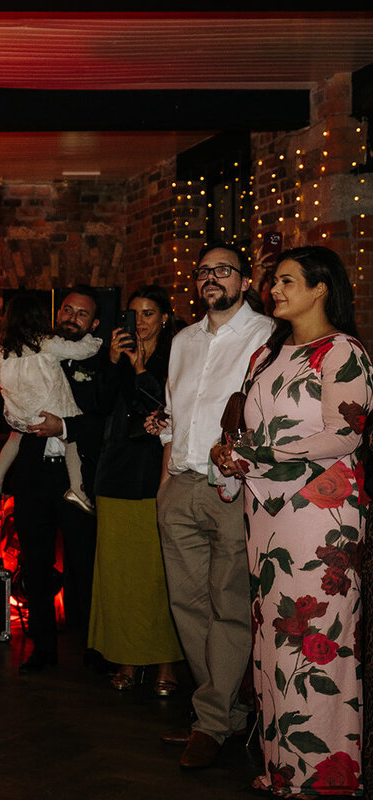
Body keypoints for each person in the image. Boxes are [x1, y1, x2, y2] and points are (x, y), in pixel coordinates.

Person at [211, 246, 372, 796]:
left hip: (321, 517)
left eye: (285, 280)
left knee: (318, 636)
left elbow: (345, 432)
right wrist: (231, 453)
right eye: (274, 281)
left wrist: (260, 455)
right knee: (276, 638)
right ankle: (285, 767)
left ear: (321, 287)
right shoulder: (266, 355)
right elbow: (253, 431)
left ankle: (326, 777)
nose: (273, 289)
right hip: (268, 513)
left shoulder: (343, 351)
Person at [155, 241, 274, 769]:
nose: (211, 279)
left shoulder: (267, 336)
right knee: (187, 605)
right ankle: (223, 712)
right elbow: (173, 417)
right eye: (204, 272)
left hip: (232, 489)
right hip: (180, 485)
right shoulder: (181, 341)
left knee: (228, 605)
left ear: (245, 281)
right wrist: (164, 485)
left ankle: (210, 722)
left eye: (224, 270)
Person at [87, 285, 183, 694]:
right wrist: (112, 362)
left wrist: (142, 367)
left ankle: (166, 663)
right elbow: (96, 405)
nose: (140, 321)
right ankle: (125, 657)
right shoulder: (114, 354)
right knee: (119, 573)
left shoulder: (178, 355)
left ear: (164, 318)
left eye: (148, 313)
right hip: (115, 474)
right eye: (134, 314)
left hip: (155, 474)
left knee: (158, 573)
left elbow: (164, 408)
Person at [6, 285, 106, 674]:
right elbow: (8, 410)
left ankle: (92, 648)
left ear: (94, 323)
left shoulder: (95, 363)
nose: (71, 317)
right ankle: (42, 648)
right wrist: (19, 418)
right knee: (36, 562)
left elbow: (103, 419)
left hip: (76, 472)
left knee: (84, 563)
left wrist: (63, 424)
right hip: (32, 470)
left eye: (81, 314)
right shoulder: (27, 349)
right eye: (67, 310)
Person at [0, 292, 100, 513]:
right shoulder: (45, 343)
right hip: (50, 409)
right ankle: (77, 489)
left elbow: (0, 376)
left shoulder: (3, 349)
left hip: (21, 411)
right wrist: (93, 340)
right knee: (71, 441)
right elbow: (80, 351)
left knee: (14, 438)